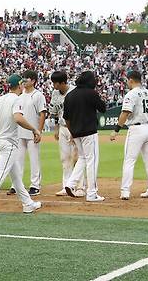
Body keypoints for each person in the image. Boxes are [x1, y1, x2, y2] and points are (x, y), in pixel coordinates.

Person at [0, 74, 43, 218]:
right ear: (19, 85)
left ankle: (28, 204)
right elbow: (18, 118)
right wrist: (34, 129)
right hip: (9, 143)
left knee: (16, 177)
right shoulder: (17, 99)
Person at [110, 70, 148, 200]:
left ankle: (125, 191)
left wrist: (116, 130)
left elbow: (125, 112)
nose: (127, 82)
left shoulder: (131, 94)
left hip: (136, 129)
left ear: (131, 80)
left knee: (129, 161)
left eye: (127, 80)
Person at [63, 71, 107, 202]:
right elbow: (103, 108)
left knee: (82, 158)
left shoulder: (70, 95)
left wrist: (72, 132)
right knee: (92, 161)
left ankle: (70, 184)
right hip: (89, 132)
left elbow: (66, 118)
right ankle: (92, 193)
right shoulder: (91, 93)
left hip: (76, 132)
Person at [9, 70, 47, 196]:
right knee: (17, 160)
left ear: (33, 81)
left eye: (27, 78)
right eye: (23, 78)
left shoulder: (38, 95)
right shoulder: (19, 95)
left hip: (32, 132)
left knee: (34, 159)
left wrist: (39, 131)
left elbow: (42, 114)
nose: (24, 81)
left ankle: (35, 185)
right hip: (19, 132)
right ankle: (16, 184)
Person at [49, 71, 84, 197]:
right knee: (65, 158)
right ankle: (66, 186)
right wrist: (56, 129)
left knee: (77, 158)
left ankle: (80, 187)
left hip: (75, 127)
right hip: (63, 128)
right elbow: (54, 113)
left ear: (63, 82)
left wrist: (76, 131)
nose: (54, 85)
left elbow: (80, 112)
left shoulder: (75, 91)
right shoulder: (55, 94)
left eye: (55, 83)